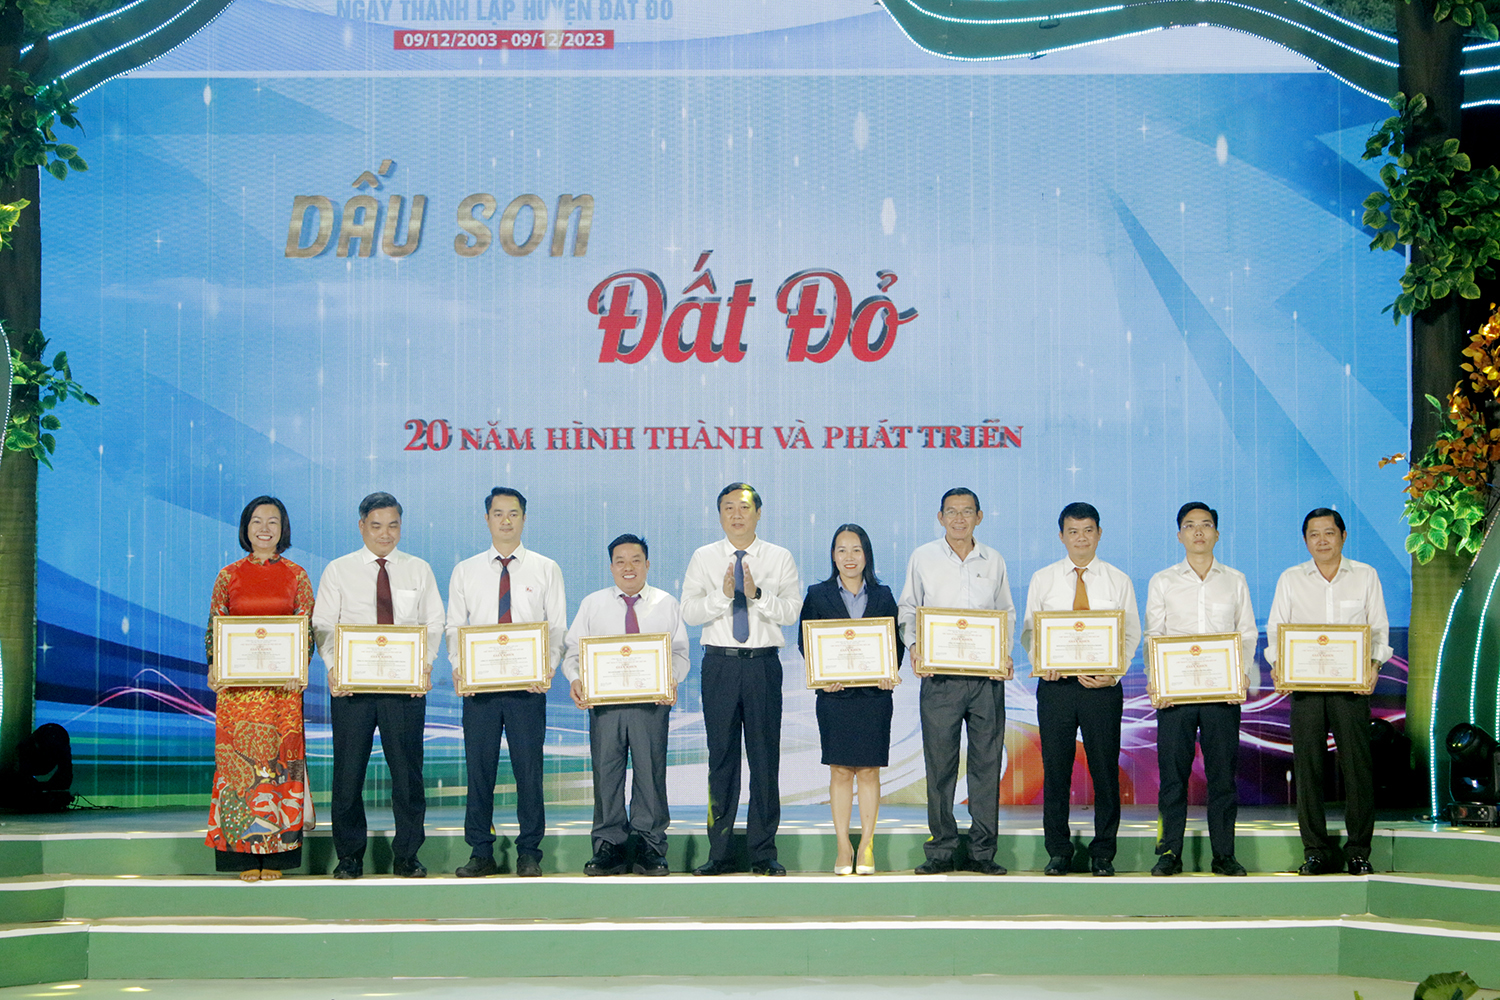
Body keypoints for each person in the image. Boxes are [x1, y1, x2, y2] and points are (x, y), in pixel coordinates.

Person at [312, 492, 443, 880]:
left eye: (393, 525)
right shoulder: (339, 570)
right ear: (361, 526)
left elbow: (433, 622)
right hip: (352, 690)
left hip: (404, 689)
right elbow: (323, 624)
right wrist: (334, 668)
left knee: (407, 775)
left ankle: (407, 855)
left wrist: (425, 665)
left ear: (401, 526)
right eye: (376, 525)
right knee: (348, 775)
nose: (385, 533)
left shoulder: (418, 569)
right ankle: (349, 856)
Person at [681, 482, 803, 875]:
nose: (737, 514)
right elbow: (689, 612)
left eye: (744, 507)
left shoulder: (779, 557)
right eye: (729, 507)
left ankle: (763, 852)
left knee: (765, 759)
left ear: (759, 513)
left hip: (762, 665)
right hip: (720, 665)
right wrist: (723, 595)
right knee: (721, 760)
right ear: (719, 514)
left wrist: (756, 593)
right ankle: (718, 853)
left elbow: (791, 612)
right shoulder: (703, 557)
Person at [447, 487, 567, 878]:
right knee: (479, 771)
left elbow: (556, 627)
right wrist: (460, 667)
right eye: (498, 513)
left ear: (524, 519)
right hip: (479, 690)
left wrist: (547, 668)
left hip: (527, 689)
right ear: (487, 519)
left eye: (513, 514)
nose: (506, 521)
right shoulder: (466, 570)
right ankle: (480, 851)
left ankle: (529, 851)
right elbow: (455, 627)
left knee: (529, 773)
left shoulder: (546, 568)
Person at [1266, 507, 1391, 876]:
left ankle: (1358, 851)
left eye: (1329, 532)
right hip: (1305, 687)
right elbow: (1276, 630)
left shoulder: (1365, 575)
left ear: (1343, 536)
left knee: (1357, 768)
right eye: (1314, 534)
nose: (1322, 540)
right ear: (1305, 540)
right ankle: (1315, 851)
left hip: (1350, 688)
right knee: (1308, 770)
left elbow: (1378, 629)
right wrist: (1279, 664)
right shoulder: (1291, 578)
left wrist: (1374, 665)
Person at [1020, 501, 1142, 877]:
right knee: (1055, 772)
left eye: (1088, 530)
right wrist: (1043, 662)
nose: (1081, 538)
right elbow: (1029, 631)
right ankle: (1058, 851)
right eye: (1073, 531)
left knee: (1105, 772)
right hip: (1056, 688)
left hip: (1101, 690)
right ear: (1062, 536)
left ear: (1099, 534)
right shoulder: (1043, 579)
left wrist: (1114, 674)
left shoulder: (1118, 580)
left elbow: (1130, 634)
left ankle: (1103, 852)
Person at [896, 489, 1014, 876]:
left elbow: (1005, 612)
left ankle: (983, 852)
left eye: (966, 512)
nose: (959, 519)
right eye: (951, 512)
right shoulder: (923, 557)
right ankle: (941, 851)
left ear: (979, 516)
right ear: (940, 517)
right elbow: (908, 608)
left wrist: (1003, 654)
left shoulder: (993, 559)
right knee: (940, 767)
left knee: (986, 766)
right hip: (940, 679)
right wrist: (915, 647)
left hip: (985, 680)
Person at [562, 534, 690, 876]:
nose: (628, 567)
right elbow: (573, 652)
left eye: (635, 560)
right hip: (606, 706)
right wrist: (576, 678)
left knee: (650, 773)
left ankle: (650, 846)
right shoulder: (593, 604)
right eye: (620, 561)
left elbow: (680, 653)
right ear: (611, 567)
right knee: (606, 773)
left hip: (651, 704)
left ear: (647, 564)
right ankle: (609, 846)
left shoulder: (666, 603)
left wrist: (671, 680)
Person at [204, 496, 315, 882]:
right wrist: (214, 665)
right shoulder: (228, 575)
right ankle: (241, 856)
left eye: (273, 521)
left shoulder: (297, 575)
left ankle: (279, 854)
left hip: (282, 693)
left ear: (283, 529)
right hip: (237, 694)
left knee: (281, 768)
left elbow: (306, 628)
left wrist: (299, 666)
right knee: (238, 770)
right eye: (257, 521)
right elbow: (215, 625)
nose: (264, 528)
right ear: (245, 528)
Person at [1144, 502, 1257, 877]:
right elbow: (1154, 635)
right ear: (1179, 535)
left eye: (1206, 524)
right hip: (1174, 695)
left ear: (1217, 534)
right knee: (1172, 778)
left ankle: (1224, 854)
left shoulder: (1234, 580)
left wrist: (1240, 675)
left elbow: (1246, 633)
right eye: (1190, 525)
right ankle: (1168, 852)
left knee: (1222, 778)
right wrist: (1156, 680)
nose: (1198, 531)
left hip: (1221, 694)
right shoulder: (1163, 581)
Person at [799, 524, 905, 875]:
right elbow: (805, 642)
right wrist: (822, 676)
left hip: (874, 697)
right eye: (842, 550)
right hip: (836, 697)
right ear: (833, 555)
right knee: (841, 771)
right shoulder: (817, 595)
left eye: (856, 550)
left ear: (866, 555)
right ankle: (843, 846)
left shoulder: (883, 595)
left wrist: (889, 671)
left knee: (870, 771)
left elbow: (895, 643)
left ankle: (867, 845)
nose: (849, 557)